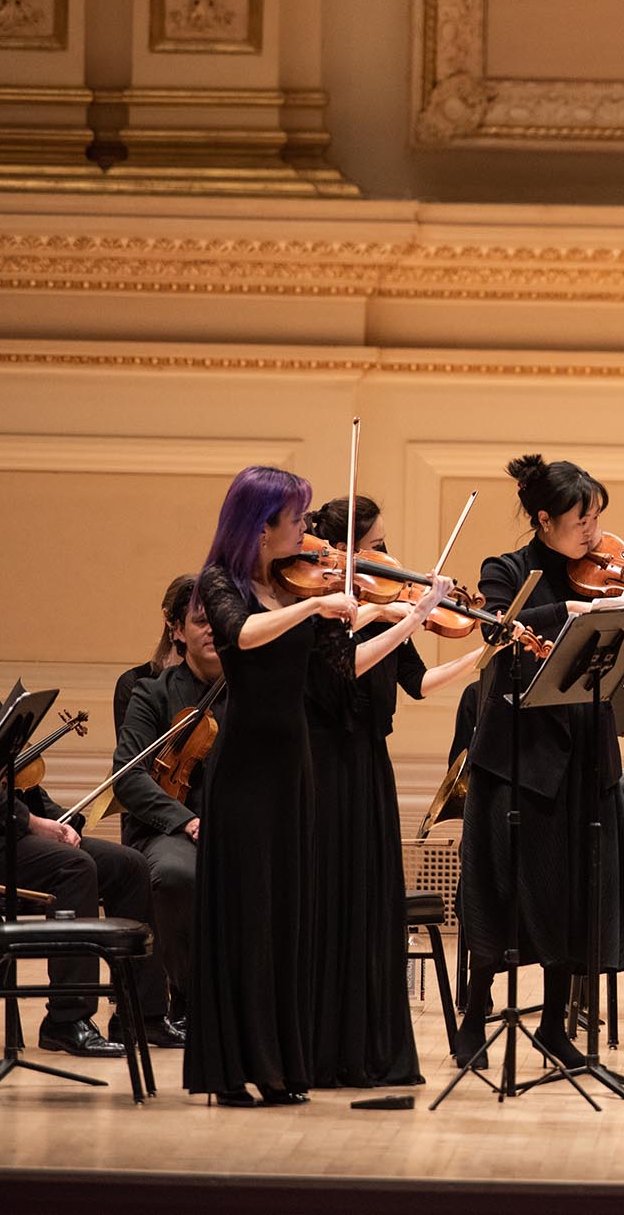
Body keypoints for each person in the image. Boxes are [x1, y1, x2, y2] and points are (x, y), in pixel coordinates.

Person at [455, 455, 624, 1071]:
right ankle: (475, 1014)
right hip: (516, 756)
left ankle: (553, 1025)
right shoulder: (508, 570)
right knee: (499, 890)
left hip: (584, 753)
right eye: (581, 518)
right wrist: (571, 612)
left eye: (597, 516)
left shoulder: (602, 575)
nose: (593, 533)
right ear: (544, 520)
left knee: (574, 893)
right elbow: (496, 628)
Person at [185, 465, 360, 1107]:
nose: (308, 531)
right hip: (246, 769)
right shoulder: (222, 584)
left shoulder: (291, 589)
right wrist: (317, 604)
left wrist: (409, 616)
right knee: (248, 911)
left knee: (287, 911)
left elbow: (341, 669)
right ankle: (234, 1067)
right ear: (263, 528)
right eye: (297, 519)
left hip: (294, 767)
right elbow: (240, 635)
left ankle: (282, 1065)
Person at [301, 494, 482, 1088]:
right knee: (331, 902)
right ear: (340, 551)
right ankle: (324, 1047)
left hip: (369, 766)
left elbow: (419, 684)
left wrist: (484, 653)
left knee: (372, 904)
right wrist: (406, 613)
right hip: (324, 768)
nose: (386, 558)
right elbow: (342, 668)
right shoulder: (322, 609)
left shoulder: (380, 607)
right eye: (376, 546)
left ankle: (370, 1047)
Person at [0, 632, 167, 1058]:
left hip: (9, 830)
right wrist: (33, 823)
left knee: (130, 865)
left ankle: (143, 1013)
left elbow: (18, 782)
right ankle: (66, 1020)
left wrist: (58, 816)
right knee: (74, 867)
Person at [107, 574, 219, 1042]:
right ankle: (188, 995)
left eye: (222, 621)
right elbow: (127, 777)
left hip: (237, 826)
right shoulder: (150, 694)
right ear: (177, 631)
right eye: (200, 621)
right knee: (177, 875)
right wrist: (186, 819)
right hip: (166, 830)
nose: (213, 629)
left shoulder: (254, 693)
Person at [112, 575, 191, 732]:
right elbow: (133, 756)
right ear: (170, 619)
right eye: (200, 620)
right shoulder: (133, 683)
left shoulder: (220, 684)